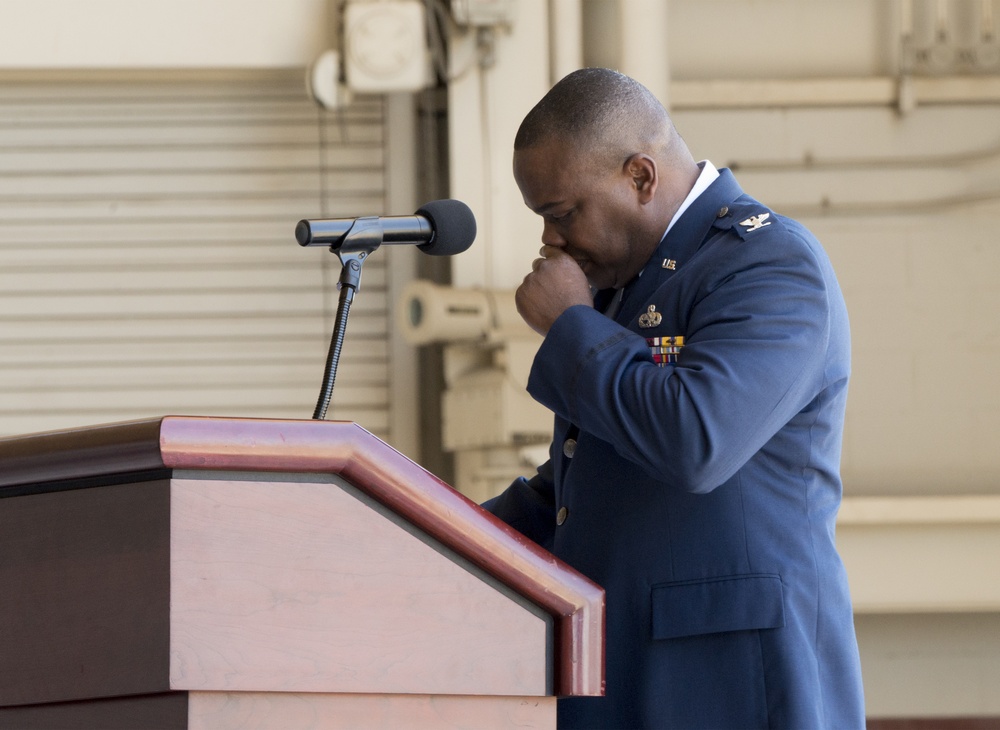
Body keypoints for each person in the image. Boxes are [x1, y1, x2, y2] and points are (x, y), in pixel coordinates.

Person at [483, 68, 866, 729]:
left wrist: (573, 326)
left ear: (641, 176)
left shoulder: (769, 265)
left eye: (563, 213)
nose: (551, 242)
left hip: (737, 683)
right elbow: (594, 485)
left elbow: (698, 439)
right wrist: (434, 530)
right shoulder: (629, 286)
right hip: (624, 672)